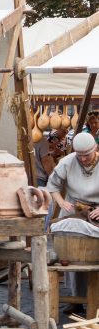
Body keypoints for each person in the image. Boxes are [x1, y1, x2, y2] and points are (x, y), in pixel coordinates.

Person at [46, 132, 99, 315]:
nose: (83, 159)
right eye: (80, 155)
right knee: (72, 251)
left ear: (95, 150)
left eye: (87, 155)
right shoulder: (68, 161)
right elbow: (52, 185)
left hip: (97, 211)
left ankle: (96, 297)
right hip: (73, 207)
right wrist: (62, 203)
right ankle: (77, 298)